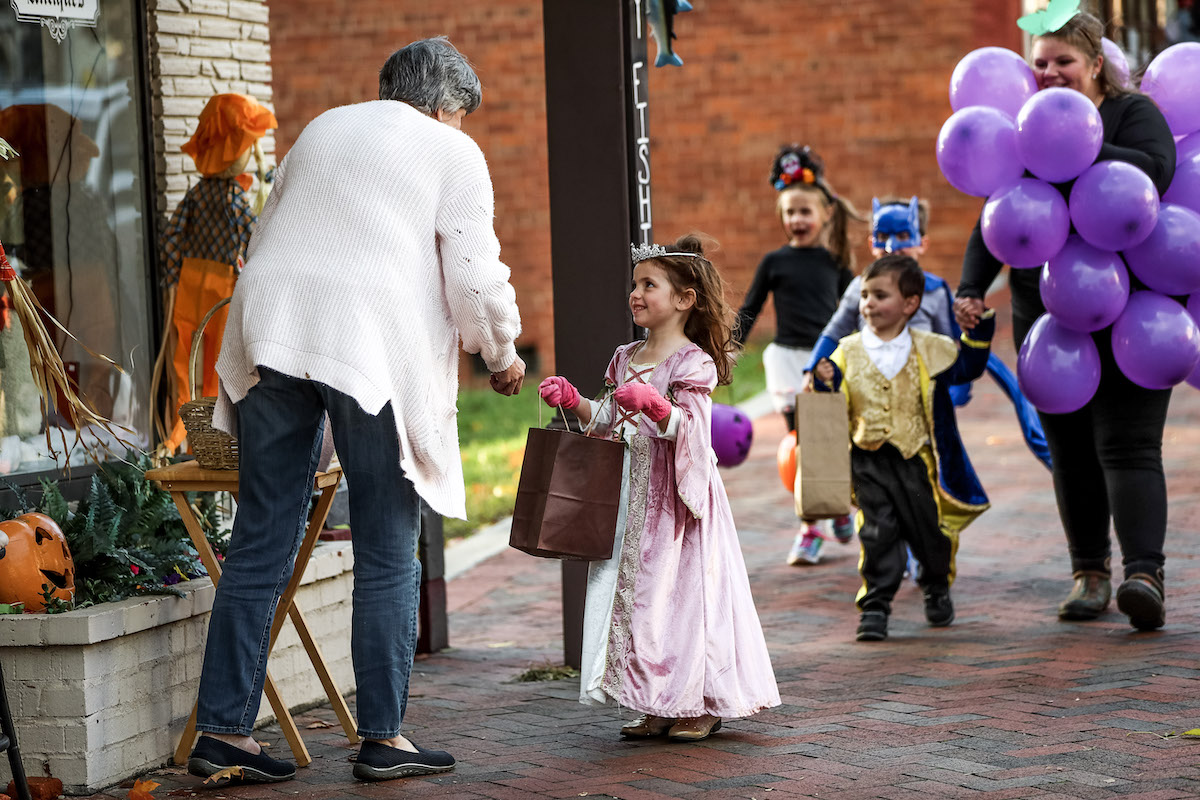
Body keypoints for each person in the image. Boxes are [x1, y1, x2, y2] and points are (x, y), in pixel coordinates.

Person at [185, 38, 526, 785]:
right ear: (444, 106)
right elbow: (472, 275)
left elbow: (279, 228)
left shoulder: (326, 125)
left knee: (261, 537)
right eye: (460, 116)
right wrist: (501, 356)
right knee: (385, 542)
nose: (459, 130)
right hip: (369, 343)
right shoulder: (449, 149)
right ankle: (383, 738)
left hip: (271, 327)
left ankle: (222, 734)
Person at [954, 10, 1177, 631]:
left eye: (1064, 62)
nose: (1050, 73)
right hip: (1047, 315)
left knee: (1128, 444)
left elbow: (1155, 170)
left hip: (1134, 307)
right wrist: (973, 286)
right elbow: (994, 210)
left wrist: (1076, 142)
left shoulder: (1133, 115)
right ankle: (1089, 573)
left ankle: (1143, 574)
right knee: (1071, 448)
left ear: (1097, 64)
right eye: (1041, 63)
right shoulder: (1024, 126)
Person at [538, 234, 780, 742]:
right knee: (643, 601)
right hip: (631, 496)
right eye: (634, 284)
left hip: (677, 502)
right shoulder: (625, 356)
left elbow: (691, 428)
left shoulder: (694, 363)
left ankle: (697, 704)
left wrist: (657, 405)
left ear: (685, 299)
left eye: (649, 284)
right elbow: (607, 422)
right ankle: (655, 701)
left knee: (684, 598)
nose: (636, 293)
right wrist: (576, 401)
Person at [814, 254, 994, 642]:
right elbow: (830, 403)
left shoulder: (930, 347)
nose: (868, 304)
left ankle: (936, 585)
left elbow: (968, 368)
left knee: (928, 531)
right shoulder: (846, 351)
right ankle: (875, 607)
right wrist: (824, 380)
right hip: (867, 460)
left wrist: (977, 333)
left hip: (918, 461)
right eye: (864, 295)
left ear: (910, 304)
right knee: (878, 533)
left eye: (880, 295)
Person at [809, 197, 1051, 470]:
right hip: (871, 392)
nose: (892, 247)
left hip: (922, 395)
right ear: (871, 243)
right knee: (872, 459)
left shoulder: (934, 291)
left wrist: (956, 389)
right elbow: (835, 332)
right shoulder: (858, 288)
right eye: (882, 236)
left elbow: (949, 347)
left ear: (922, 243)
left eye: (902, 236)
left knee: (925, 465)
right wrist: (814, 368)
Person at [735, 145, 863, 565]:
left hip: (827, 361)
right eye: (790, 213)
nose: (797, 220)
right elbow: (750, 308)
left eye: (805, 212)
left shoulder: (836, 262)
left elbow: (856, 314)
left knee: (830, 439)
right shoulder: (774, 262)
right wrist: (729, 349)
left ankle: (839, 503)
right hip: (789, 362)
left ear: (825, 215)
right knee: (803, 443)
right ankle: (811, 527)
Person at [157, 93, 278, 455]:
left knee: (184, 363)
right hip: (223, 288)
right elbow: (256, 241)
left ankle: (178, 436)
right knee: (216, 368)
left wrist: (171, 276)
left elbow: (171, 239)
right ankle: (210, 441)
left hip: (189, 284)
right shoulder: (234, 201)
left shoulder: (194, 196)